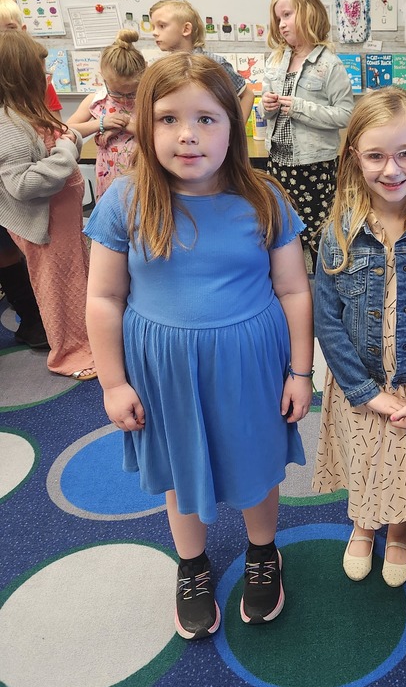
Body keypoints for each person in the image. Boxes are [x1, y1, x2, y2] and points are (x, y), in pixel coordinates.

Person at [85, 53, 313, 641]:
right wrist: (113, 382)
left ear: (233, 126)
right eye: (168, 119)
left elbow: (292, 288)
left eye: (207, 119)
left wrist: (301, 372)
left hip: (252, 366)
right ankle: (192, 565)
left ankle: (264, 553)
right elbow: (105, 297)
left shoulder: (264, 198)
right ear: (144, 125)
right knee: (182, 468)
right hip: (164, 373)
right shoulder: (125, 200)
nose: (187, 135)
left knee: (259, 464)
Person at [312, 88, 406, 587]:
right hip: (362, 383)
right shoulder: (337, 232)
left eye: (405, 153)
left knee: (403, 465)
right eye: (376, 155)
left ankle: (397, 532)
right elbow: (327, 321)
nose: (391, 169)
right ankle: (362, 525)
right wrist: (363, 390)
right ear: (355, 157)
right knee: (365, 459)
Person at [0, 30, 95, 378]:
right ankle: (69, 353)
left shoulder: (30, 114)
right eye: (41, 71)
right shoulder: (8, 125)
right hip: (44, 226)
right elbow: (23, 185)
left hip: (63, 222)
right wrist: (69, 150)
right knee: (57, 289)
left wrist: (73, 140)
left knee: (78, 279)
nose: (48, 77)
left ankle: (89, 339)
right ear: (21, 76)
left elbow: (63, 144)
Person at [262, 0, 354, 270]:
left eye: (287, 15)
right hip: (280, 163)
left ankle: (325, 291)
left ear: (308, 14)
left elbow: (346, 114)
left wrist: (300, 107)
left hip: (314, 166)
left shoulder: (329, 65)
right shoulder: (276, 60)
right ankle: (291, 291)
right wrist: (267, 106)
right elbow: (268, 114)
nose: (282, 24)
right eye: (278, 18)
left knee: (320, 235)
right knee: (282, 233)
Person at [66, 28, 146, 199]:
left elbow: (158, 133)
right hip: (108, 175)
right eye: (117, 93)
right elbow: (67, 130)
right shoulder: (96, 100)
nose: (124, 99)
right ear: (102, 76)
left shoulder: (148, 99)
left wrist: (123, 127)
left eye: (131, 93)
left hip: (143, 173)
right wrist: (101, 123)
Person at [149, 0, 255, 123]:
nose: (154, 32)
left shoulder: (214, 64)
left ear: (186, 29)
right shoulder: (161, 69)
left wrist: (236, 132)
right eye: (153, 27)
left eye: (162, 26)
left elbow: (247, 95)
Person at [0, 0, 62, 117]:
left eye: (11, 28)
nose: (4, 36)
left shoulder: (37, 77)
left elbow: (57, 126)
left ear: (23, 31)